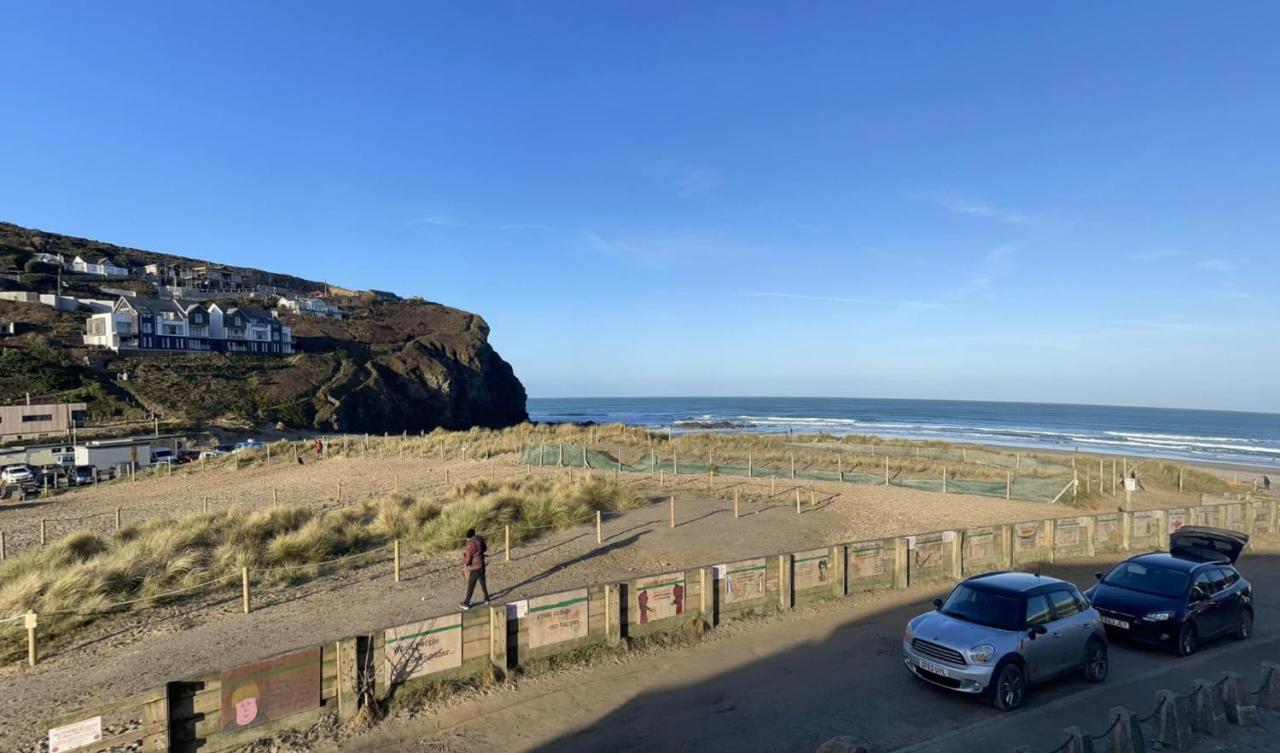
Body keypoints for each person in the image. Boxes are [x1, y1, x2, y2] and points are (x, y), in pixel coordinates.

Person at [459, 528, 489, 610]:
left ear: (468, 537)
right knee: (483, 582)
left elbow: (468, 560)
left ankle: (466, 603)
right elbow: (485, 549)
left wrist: (464, 558)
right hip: (481, 564)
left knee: (471, 585)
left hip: (475, 567)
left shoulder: (470, 544)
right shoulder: (480, 539)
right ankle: (486, 599)